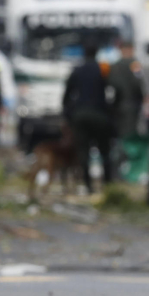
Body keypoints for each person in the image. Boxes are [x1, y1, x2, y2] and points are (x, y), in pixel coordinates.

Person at [63, 41, 113, 192]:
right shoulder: (103, 69)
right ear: (97, 53)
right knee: (104, 150)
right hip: (99, 115)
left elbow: (66, 97)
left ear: (83, 53)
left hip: (80, 116)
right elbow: (112, 90)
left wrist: (69, 116)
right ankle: (108, 184)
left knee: (83, 151)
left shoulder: (77, 70)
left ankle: (88, 185)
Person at [108, 41, 145, 178]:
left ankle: (116, 170)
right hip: (132, 107)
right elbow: (138, 85)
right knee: (130, 139)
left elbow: (111, 87)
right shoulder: (135, 65)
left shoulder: (114, 66)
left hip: (118, 108)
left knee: (119, 139)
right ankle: (130, 170)